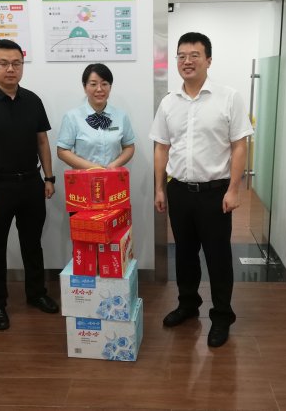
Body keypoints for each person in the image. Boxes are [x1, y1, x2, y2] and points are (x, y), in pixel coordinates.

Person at [149, 32, 254, 347]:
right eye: (181, 56)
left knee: (218, 256)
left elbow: (239, 146)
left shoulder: (228, 97)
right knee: (184, 253)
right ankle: (188, 305)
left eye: (194, 55)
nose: (187, 61)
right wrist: (159, 189)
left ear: (208, 60)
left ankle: (221, 315)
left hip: (215, 193)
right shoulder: (169, 102)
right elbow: (161, 148)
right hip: (179, 191)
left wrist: (234, 189)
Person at [0, 39, 59, 331]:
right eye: (3, 63)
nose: (10, 69)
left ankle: (36, 293)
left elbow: (42, 141)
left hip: (30, 183)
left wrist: (49, 177)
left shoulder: (33, 100)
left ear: (22, 66)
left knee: (32, 244)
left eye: (16, 63)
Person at [57, 63, 135, 169]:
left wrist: (114, 165)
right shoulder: (72, 117)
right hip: (84, 176)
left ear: (110, 87)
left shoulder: (121, 116)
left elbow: (129, 147)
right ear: (85, 87)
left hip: (112, 176)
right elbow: (62, 151)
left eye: (104, 84)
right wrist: (93, 168)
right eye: (93, 84)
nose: (99, 89)